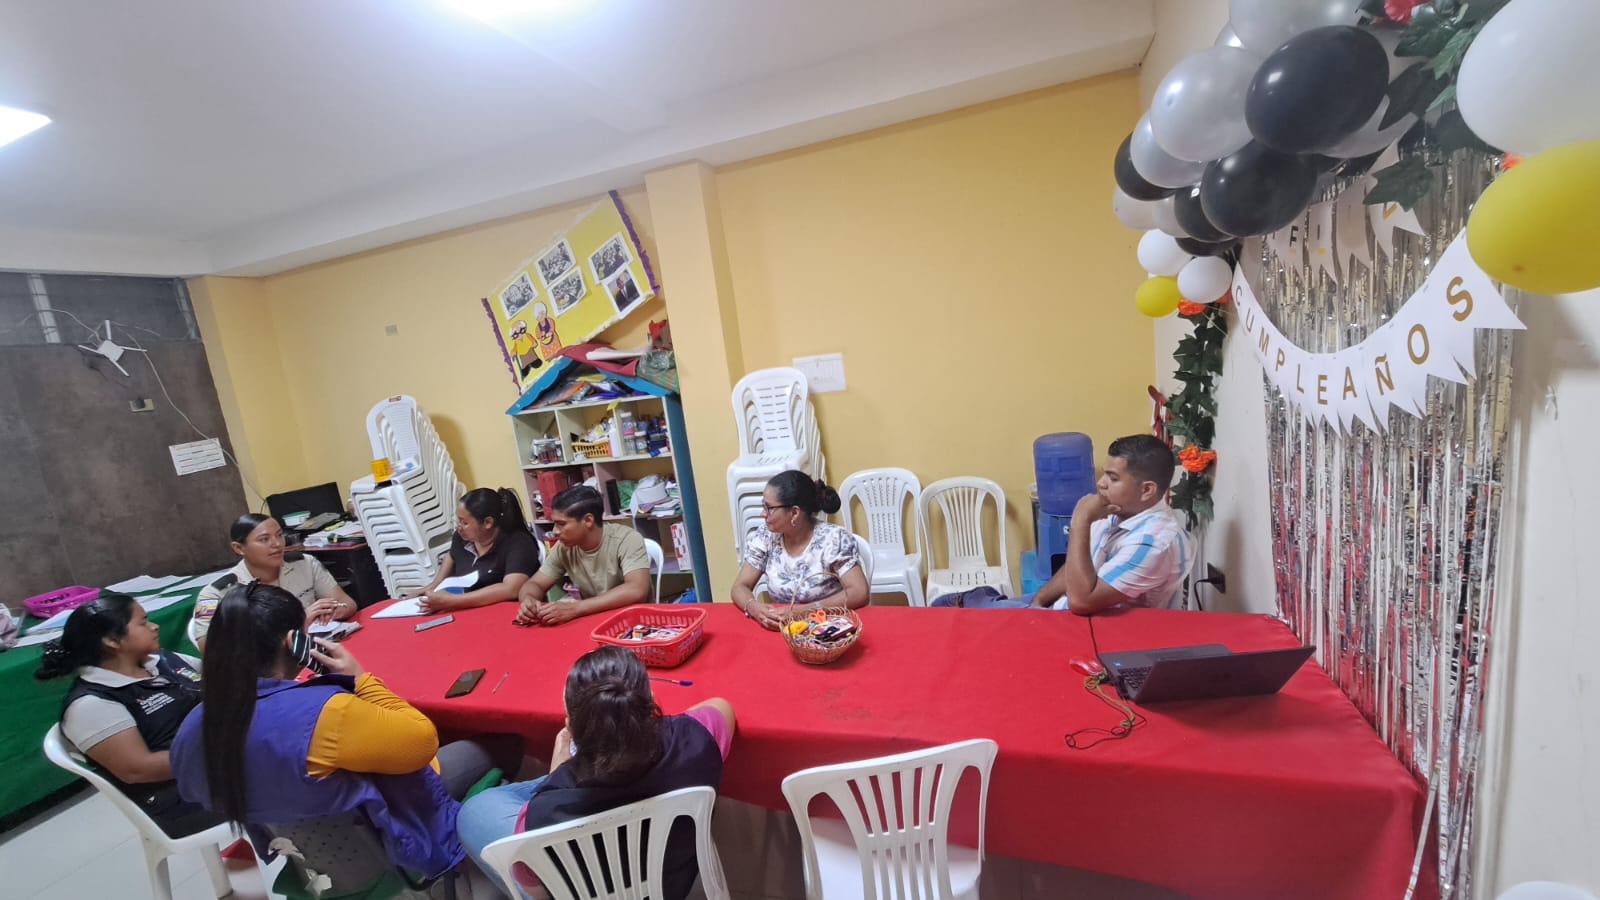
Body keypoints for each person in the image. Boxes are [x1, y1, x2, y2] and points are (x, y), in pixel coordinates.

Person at [170, 584, 514, 886]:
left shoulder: (193, 728)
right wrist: (361, 679)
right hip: (389, 843)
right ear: (294, 642)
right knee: (502, 743)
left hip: (314, 862)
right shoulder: (326, 712)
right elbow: (422, 742)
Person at [456, 647, 735, 900]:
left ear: (571, 728)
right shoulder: (696, 739)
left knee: (475, 809)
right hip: (671, 887)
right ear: (651, 704)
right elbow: (721, 707)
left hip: (578, 882)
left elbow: (539, 893)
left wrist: (556, 773)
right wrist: (665, 727)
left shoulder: (542, 812)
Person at [932, 434, 1192, 614]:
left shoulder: (1153, 541)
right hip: (1065, 606)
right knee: (945, 606)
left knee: (950, 609)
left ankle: (981, 599)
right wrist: (1038, 602)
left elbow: (1082, 603)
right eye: (1104, 474)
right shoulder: (1121, 512)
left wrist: (1080, 521)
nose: (1101, 483)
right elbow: (1077, 566)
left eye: (1113, 478)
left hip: (1093, 627)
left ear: (1146, 490)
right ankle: (983, 599)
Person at [34, 593, 224, 837]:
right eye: (143, 623)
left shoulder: (164, 661)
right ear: (112, 640)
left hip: (220, 768)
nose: (154, 626)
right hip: (180, 798)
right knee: (274, 773)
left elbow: (227, 682)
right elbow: (139, 769)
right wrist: (230, 754)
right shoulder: (90, 705)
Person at [189, 513, 357, 653]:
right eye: (264, 539)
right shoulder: (216, 593)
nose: (277, 544)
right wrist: (300, 620)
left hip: (316, 650)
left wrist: (334, 611)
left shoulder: (305, 563)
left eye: (279, 535)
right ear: (238, 548)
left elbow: (348, 603)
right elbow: (208, 649)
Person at [729, 470, 869, 630]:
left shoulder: (833, 540)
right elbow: (740, 587)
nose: (763, 514)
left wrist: (805, 611)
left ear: (794, 513)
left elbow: (859, 592)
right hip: (784, 629)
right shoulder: (765, 537)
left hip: (828, 628)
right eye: (763, 506)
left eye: (769, 508)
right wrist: (754, 607)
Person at [513, 486, 651, 627]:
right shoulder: (564, 548)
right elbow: (534, 584)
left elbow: (636, 589)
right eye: (554, 523)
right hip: (594, 619)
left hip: (634, 622)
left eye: (561, 524)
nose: (555, 531)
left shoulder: (626, 539)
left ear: (588, 520)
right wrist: (528, 600)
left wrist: (575, 608)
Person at [410, 488, 540, 614]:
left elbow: (511, 588)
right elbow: (452, 556)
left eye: (465, 523)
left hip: (503, 611)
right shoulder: (461, 538)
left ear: (488, 522)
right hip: (465, 608)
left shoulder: (519, 542)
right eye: (458, 521)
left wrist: (451, 601)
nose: (459, 528)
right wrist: (433, 587)